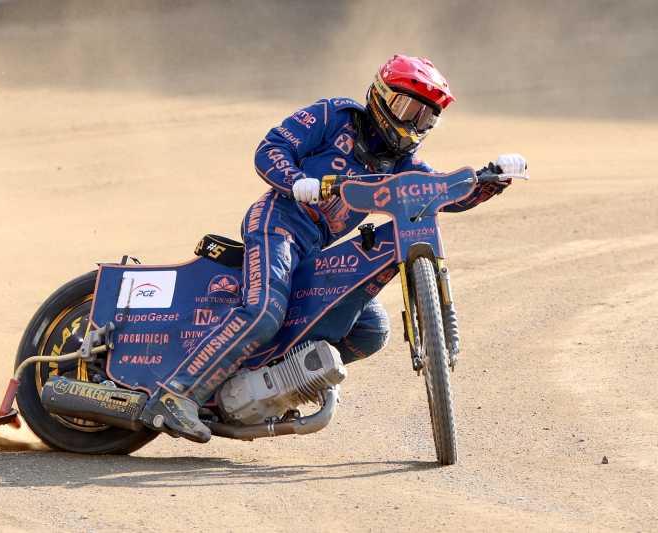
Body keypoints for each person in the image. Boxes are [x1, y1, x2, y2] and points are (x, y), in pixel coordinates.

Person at [141, 55, 527, 442]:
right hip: (280, 221)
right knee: (264, 311)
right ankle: (176, 394)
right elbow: (271, 147)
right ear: (380, 95)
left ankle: (270, 382)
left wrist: (494, 177)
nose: (413, 124)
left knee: (370, 329)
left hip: (315, 249)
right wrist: (294, 181)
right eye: (407, 108)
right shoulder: (335, 115)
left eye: (426, 117)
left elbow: (444, 193)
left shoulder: (401, 164)